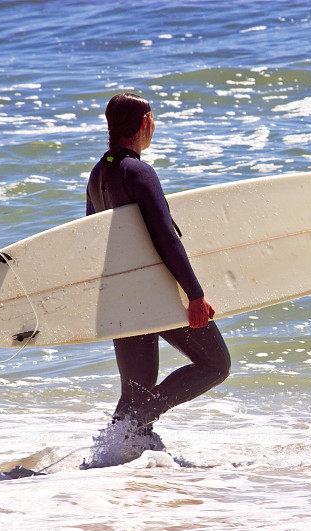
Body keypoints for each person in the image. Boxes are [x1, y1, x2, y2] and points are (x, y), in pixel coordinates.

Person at [86, 93, 231, 434]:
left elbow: (91, 243)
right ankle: (140, 421)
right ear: (145, 124)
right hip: (154, 292)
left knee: (133, 390)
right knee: (216, 364)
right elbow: (166, 238)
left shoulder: (97, 175)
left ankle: (116, 452)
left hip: (122, 296)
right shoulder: (139, 172)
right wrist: (195, 295)